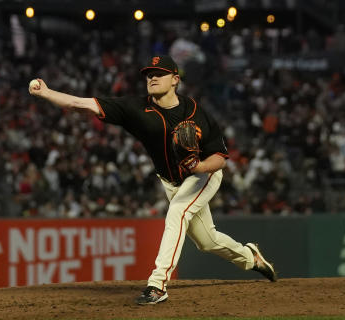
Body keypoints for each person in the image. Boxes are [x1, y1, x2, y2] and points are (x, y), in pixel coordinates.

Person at [29, 54, 277, 305]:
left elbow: (221, 158)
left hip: (203, 175)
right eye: (149, 74)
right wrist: (47, 93)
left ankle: (157, 284)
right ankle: (249, 257)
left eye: (159, 74)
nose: (153, 77)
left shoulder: (194, 111)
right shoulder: (136, 108)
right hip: (171, 181)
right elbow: (79, 103)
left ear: (175, 80)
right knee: (207, 241)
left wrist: (200, 165)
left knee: (177, 212)